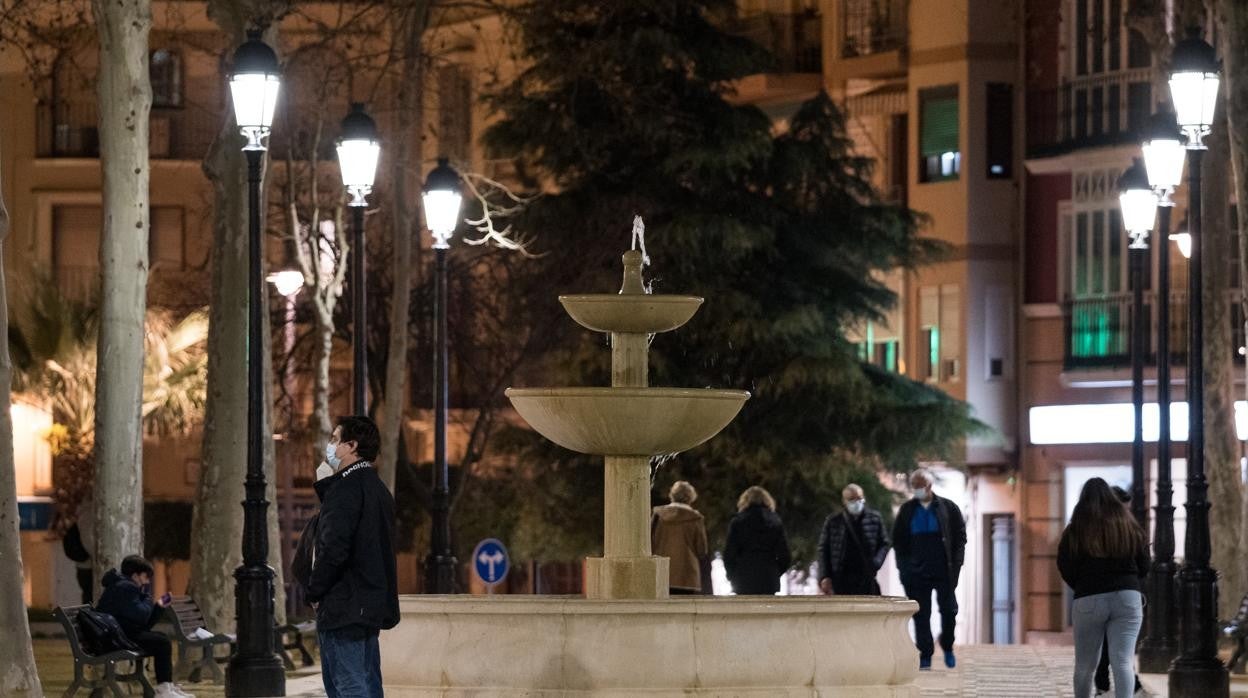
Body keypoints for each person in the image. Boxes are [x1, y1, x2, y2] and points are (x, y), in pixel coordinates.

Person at [305, 416, 400, 697]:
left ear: (351, 446)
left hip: (343, 603)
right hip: (369, 603)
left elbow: (333, 547)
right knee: (369, 681)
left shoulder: (344, 489)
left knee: (347, 684)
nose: (330, 446)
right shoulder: (378, 489)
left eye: (335, 439)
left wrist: (315, 590)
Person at [1058, 478, 1149, 698]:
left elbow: (1065, 565)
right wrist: (1131, 583)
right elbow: (1144, 563)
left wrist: (1081, 586)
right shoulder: (1128, 526)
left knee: (1085, 665)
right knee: (1124, 661)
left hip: (1089, 597)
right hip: (1127, 597)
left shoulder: (1075, 529)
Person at [892, 468, 966, 670]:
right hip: (917, 573)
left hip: (944, 570)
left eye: (919, 486)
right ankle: (925, 654)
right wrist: (904, 570)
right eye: (913, 486)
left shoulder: (948, 508)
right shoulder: (907, 511)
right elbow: (898, 542)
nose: (916, 490)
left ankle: (948, 646)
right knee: (921, 615)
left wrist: (957, 565)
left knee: (949, 611)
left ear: (929, 486)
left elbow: (960, 538)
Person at [95, 555, 189, 698]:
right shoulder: (125, 587)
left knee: (161, 640)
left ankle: (166, 687)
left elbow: (144, 624)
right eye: (145, 577)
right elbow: (141, 615)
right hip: (115, 638)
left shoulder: (124, 586)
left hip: (119, 634)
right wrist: (149, 598)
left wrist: (159, 606)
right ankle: (164, 690)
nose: (147, 582)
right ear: (135, 575)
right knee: (162, 642)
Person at [1093, 487, 1145, 697]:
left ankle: (1106, 685)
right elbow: (1144, 563)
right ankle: (1125, 686)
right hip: (1120, 595)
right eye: (1125, 507)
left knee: (1108, 644)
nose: (1127, 511)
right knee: (1118, 646)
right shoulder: (1129, 530)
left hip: (1099, 595)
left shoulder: (1091, 529)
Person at [818, 483, 890, 595]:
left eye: (859, 498)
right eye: (851, 499)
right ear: (844, 501)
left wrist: (876, 562)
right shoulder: (833, 522)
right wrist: (824, 576)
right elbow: (824, 550)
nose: (856, 502)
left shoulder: (874, 519)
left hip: (866, 576)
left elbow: (884, 543)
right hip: (841, 578)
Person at [723, 486, 792, 595]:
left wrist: (733, 575)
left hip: (743, 578)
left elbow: (729, 554)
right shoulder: (775, 522)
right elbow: (785, 556)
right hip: (768, 578)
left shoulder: (737, 522)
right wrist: (774, 572)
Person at [652, 481, 709, 595]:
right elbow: (701, 549)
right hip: (687, 575)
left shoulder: (658, 515)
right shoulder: (695, 518)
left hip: (661, 573)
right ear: (690, 497)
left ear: (672, 495)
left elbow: (649, 541)